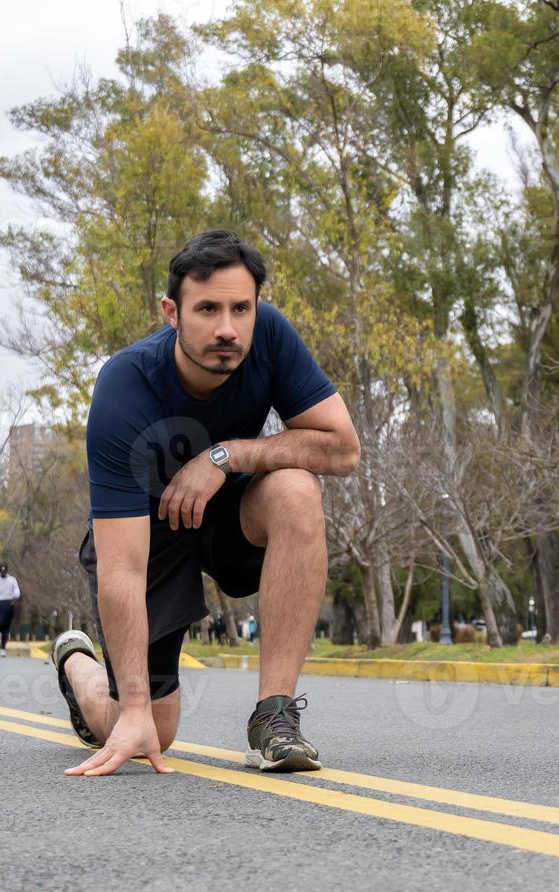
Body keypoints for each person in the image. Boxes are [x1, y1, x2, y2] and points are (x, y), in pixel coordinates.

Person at [51, 230, 360, 777]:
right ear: (171, 311)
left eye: (241, 308)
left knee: (296, 488)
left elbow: (342, 448)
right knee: (153, 731)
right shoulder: (125, 385)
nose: (227, 328)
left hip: (227, 509)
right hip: (149, 533)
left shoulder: (270, 338)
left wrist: (224, 456)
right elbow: (121, 566)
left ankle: (275, 716)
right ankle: (78, 667)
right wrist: (138, 709)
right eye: (208, 309)